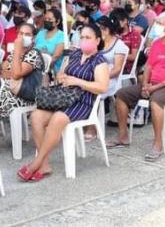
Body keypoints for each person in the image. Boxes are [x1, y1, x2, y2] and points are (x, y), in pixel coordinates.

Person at [19, 23, 109, 181]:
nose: (84, 40)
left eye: (88, 37)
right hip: (63, 97)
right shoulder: (74, 55)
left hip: (83, 101)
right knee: (36, 116)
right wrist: (62, 77)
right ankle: (45, 164)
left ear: (97, 40)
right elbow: (62, 73)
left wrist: (77, 81)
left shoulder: (99, 60)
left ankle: (37, 162)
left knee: (58, 118)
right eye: (82, 37)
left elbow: (102, 87)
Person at [110, 12, 165, 161]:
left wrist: (155, 87)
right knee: (121, 94)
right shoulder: (156, 43)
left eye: (161, 24)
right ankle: (123, 136)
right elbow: (148, 67)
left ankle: (158, 143)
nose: (157, 26)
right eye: (157, 23)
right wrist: (145, 85)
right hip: (152, 85)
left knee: (156, 101)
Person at [0, 23, 44, 121]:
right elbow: (2, 71)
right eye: (21, 34)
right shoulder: (15, 52)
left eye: (27, 35)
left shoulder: (33, 53)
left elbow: (16, 74)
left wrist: (18, 49)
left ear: (33, 38)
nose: (23, 37)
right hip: (8, 90)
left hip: (22, 96)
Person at [34, 8, 66, 73]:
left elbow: (56, 56)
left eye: (49, 19)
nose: (46, 21)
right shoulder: (41, 33)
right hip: (36, 69)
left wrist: (43, 68)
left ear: (57, 21)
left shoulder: (62, 36)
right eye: (45, 19)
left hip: (53, 71)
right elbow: (34, 48)